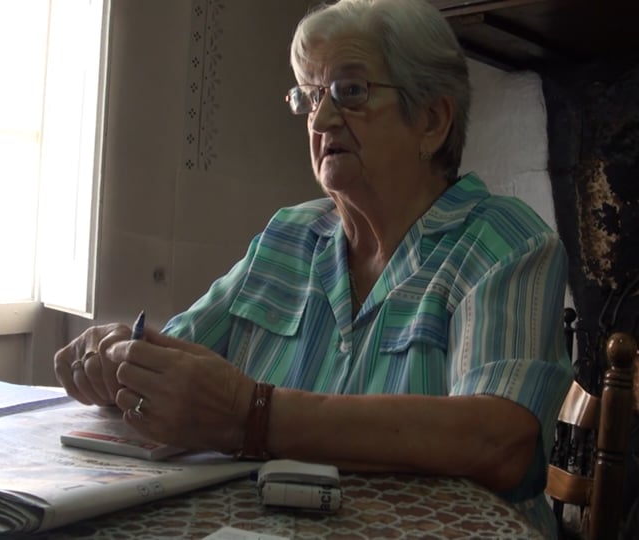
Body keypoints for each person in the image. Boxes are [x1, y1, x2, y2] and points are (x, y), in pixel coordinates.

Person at [54, 0, 572, 535]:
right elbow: (178, 364)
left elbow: (498, 439)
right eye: (310, 97)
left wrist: (253, 414)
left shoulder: (505, 243)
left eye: (351, 92)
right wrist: (121, 358)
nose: (320, 120)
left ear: (431, 120)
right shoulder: (290, 236)